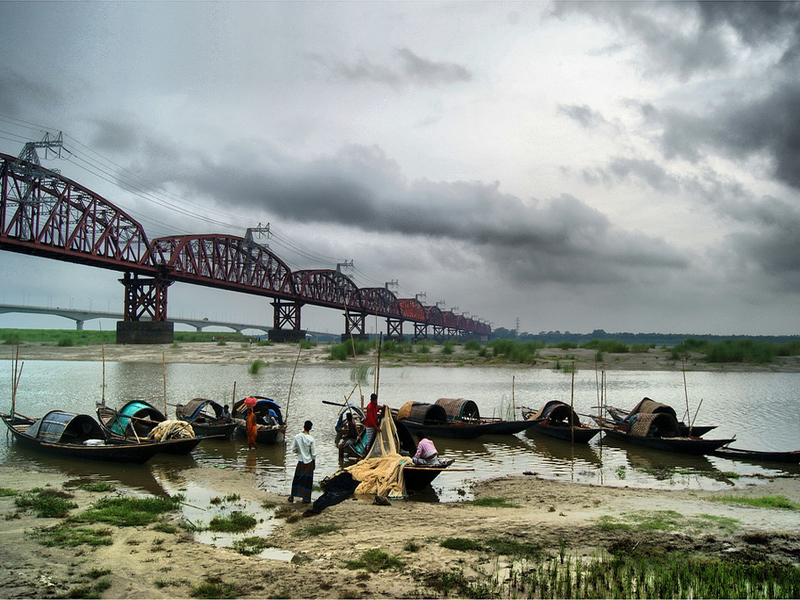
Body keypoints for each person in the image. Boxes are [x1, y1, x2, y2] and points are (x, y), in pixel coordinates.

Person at [288, 420, 316, 504]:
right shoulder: (311, 439)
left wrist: (299, 452)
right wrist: (314, 462)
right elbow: (313, 454)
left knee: (297, 478)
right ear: (310, 428)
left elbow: (294, 449)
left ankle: (292, 496)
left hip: (300, 461)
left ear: (304, 426)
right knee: (307, 480)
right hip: (309, 462)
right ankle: (306, 498)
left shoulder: (297, 437)